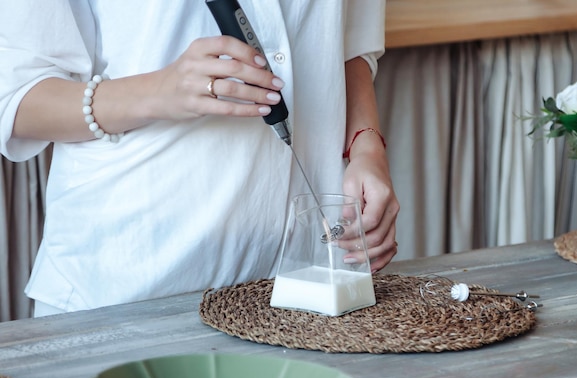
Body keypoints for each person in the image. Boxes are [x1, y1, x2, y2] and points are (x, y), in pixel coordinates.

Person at [0, 0, 399, 317]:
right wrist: (161, 90)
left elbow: (347, 41)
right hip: (126, 289)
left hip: (304, 281)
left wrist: (366, 145)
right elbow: (16, 96)